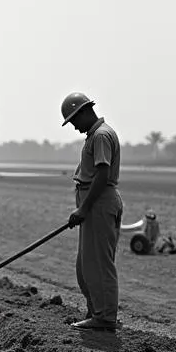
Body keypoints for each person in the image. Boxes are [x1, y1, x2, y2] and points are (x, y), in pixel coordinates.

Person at [62, 92, 123, 331]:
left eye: (74, 121)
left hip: (99, 203)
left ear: (84, 112)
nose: (74, 127)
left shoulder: (101, 135)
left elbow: (102, 174)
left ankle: (105, 317)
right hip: (93, 202)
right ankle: (96, 311)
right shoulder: (94, 135)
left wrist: (84, 208)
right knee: (86, 266)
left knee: (98, 264)